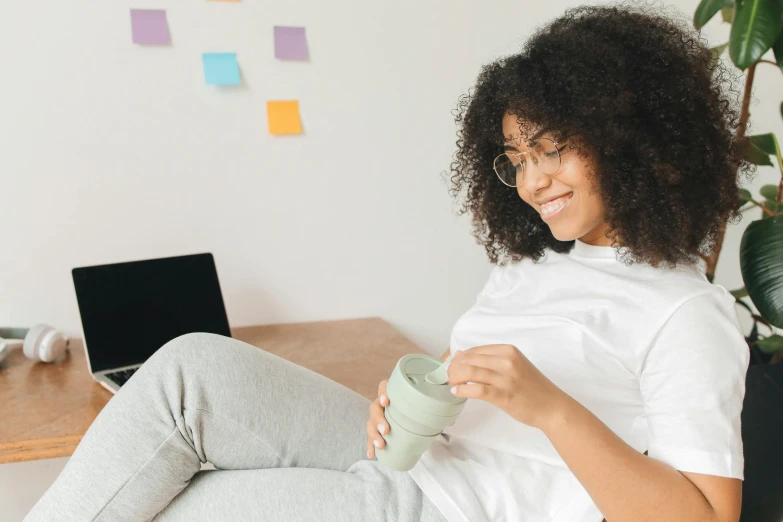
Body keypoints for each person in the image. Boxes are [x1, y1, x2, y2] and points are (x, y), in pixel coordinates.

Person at [25, 3, 752, 522]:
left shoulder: (685, 315)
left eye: (553, 147)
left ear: (631, 137)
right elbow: (468, 381)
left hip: (460, 507)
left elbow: (704, 517)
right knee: (191, 368)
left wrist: (551, 411)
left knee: (174, 505)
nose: (533, 182)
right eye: (517, 158)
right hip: (418, 461)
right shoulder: (539, 260)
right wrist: (410, 404)